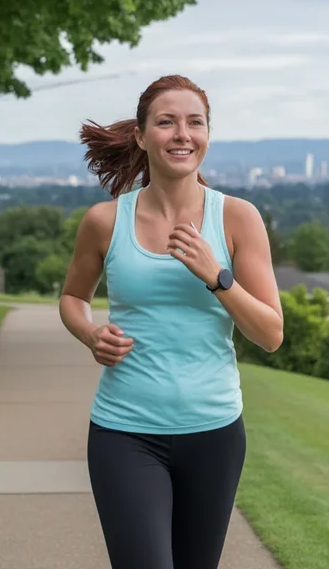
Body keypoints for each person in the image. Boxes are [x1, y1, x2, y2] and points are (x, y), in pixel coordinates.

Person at [58, 74, 285, 569]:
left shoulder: (237, 219)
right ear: (142, 136)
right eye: (166, 122)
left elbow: (270, 334)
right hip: (125, 432)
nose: (182, 133)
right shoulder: (104, 221)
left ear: (207, 134)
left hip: (215, 434)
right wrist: (90, 332)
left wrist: (216, 276)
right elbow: (74, 297)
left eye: (194, 122)